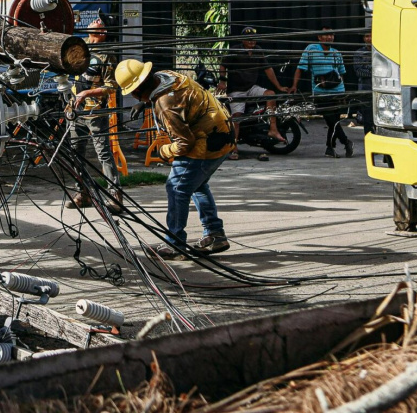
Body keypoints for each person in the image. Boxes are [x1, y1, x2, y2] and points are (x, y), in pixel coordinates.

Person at [115, 59, 234, 259]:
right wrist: (145, 103)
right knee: (196, 184)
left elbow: (184, 143)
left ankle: (175, 243)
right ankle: (215, 234)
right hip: (223, 132)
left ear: (135, 90)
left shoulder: (165, 105)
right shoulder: (166, 76)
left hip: (206, 141)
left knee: (177, 187)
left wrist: (164, 152)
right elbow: (168, 97)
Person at [217, 26, 292, 160]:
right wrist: (222, 81)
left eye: (254, 39)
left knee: (271, 94)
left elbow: (268, 69)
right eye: (249, 39)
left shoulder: (258, 51)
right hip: (236, 90)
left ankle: (273, 129)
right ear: (243, 40)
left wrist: (279, 86)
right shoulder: (235, 50)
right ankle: (234, 148)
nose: (252, 42)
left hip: (251, 88)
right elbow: (223, 65)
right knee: (237, 117)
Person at [68, 15, 118, 183]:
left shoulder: (106, 57)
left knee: (103, 153)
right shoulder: (80, 45)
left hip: (95, 113)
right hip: (75, 111)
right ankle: (82, 191)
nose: (94, 20)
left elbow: (111, 86)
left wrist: (86, 94)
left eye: (98, 21)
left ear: (103, 32)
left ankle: (114, 193)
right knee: (76, 152)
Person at [291, 26, 353, 158]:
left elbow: (341, 74)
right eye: (326, 35)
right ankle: (346, 142)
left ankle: (330, 148)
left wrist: (343, 93)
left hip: (337, 92)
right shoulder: (311, 49)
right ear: (319, 37)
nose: (329, 37)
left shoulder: (336, 53)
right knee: (331, 120)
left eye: (331, 35)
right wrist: (294, 85)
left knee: (334, 121)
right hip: (320, 92)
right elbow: (300, 68)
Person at [352, 32, 374, 134]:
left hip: (381, 90)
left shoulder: (380, 52)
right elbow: (359, 72)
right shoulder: (359, 53)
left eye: (371, 35)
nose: (369, 38)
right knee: (368, 119)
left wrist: (368, 69)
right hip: (365, 90)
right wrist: (376, 71)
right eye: (367, 36)